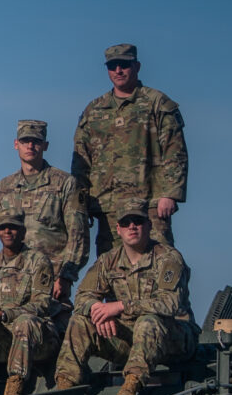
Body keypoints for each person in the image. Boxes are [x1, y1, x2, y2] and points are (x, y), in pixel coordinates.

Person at [50, 199, 191, 395]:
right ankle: (65, 392)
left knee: (148, 322)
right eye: (126, 223)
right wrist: (98, 311)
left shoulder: (168, 258)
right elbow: (83, 297)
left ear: (149, 225)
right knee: (80, 322)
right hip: (130, 339)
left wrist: (120, 307)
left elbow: (169, 304)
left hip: (173, 338)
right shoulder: (109, 260)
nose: (132, 227)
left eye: (138, 221)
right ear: (118, 229)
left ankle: (130, 389)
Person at [72, 45, 186, 255]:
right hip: (108, 207)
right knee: (110, 266)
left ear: (137, 66)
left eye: (124, 65)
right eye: (112, 66)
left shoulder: (156, 103)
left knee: (158, 261)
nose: (118, 70)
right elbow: (81, 161)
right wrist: (81, 203)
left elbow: (174, 150)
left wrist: (170, 194)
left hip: (149, 205)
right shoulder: (94, 110)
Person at [0, 120, 90, 295]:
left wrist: (66, 277)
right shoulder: (3, 188)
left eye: (36, 141)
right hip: (11, 281)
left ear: (45, 146)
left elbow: (78, 235)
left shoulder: (64, 184)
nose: (30, 146)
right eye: (25, 141)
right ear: (16, 144)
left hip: (50, 280)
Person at [0, 215, 60, 395]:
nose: (7, 232)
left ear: (23, 232)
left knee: (24, 322)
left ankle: (13, 392)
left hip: (38, 338)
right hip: (3, 338)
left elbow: (40, 304)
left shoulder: (38, 261)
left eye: (13, 227)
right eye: (2, 228)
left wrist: (3, 315)